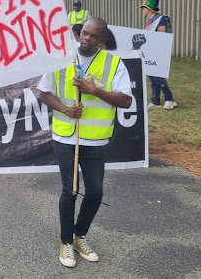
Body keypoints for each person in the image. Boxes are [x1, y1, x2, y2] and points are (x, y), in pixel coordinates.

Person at [36, 18, 133, 268]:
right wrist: (66, 110)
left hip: (95, 139)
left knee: (96, 192)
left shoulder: (113, 63)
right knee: (70, 190)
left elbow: (126, 101)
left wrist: (95, 91)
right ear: (78, 33)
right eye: (84, 33)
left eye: (93, 36)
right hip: (65, 136)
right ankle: (66, 242)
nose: (86, 39)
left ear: (102, 41)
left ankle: (79, 236)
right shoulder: (61, 59)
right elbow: (43, 91)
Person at [140, 0, 176, 110]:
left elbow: (162, 36)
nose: (142, 10)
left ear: (148, 8)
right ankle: (155, 100)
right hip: (150, 52)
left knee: (158, 76)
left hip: (157, 52)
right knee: (151, 75)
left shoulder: (160, 19)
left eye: (143, 8)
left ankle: (169, 98)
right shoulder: (150, 21)